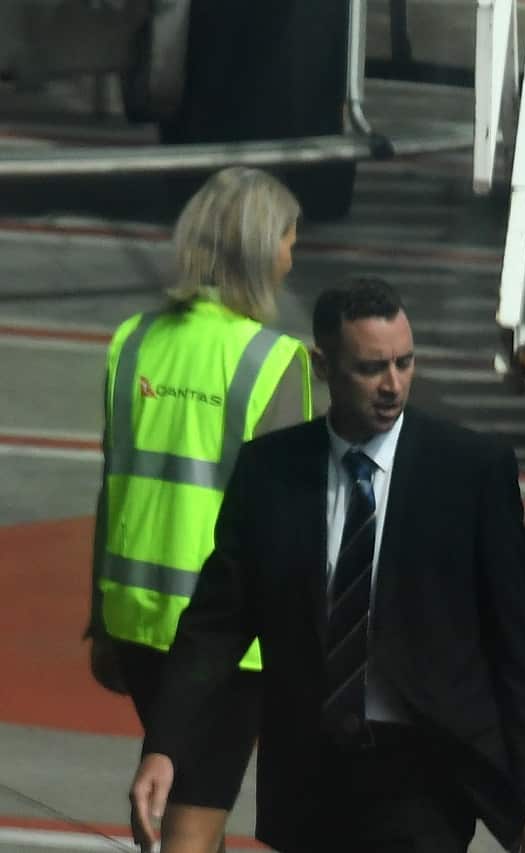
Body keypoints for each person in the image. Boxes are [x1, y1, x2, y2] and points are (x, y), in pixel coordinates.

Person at [128, 277, 525, 853]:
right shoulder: (271, 472)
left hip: (426, 770)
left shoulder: (470, 471)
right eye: (370, 368)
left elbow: (515, 632)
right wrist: (165, 745)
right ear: (323, 364)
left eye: (404, 364)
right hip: (312, 771)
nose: (393, 385)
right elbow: (217, 623)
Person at [87, 166, 313, 853]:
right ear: (257, 247)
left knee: (182, 789)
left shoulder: (131, 340)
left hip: (135, 615)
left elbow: (112, 483)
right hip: (223, 635)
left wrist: (99, 616)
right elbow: (288, 524)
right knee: (194, 812)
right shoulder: (274, 360)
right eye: (287, 237)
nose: (292, 253)